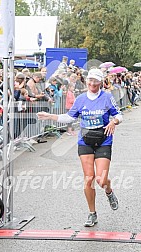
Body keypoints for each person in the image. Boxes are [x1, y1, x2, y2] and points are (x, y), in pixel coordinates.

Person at [37, 68, 123, 227]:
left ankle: (109, 191)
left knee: (101, 179)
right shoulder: (81, 98)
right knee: (89, 179)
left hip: (104, 140)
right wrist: (50, 116)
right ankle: (92, 213)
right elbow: (69, 117)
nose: (92, 83)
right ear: (87, 81)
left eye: (96, 81)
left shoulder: (106, 97)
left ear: (101, 83)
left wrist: (113, 122)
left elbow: (119, 114)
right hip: (85, 141)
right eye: (90, 80)